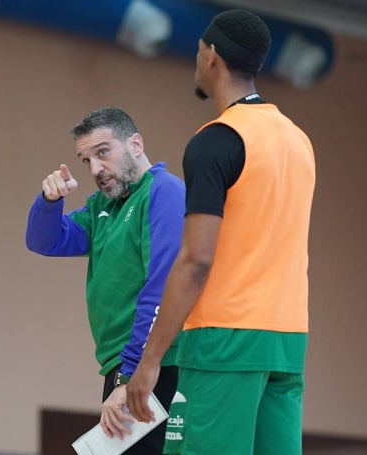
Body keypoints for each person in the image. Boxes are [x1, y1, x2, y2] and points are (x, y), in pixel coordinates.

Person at [126, 9, 316, 455]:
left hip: (223, 339)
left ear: (211, 56)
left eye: (197, 52)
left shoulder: (217, 140)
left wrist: (150, 361)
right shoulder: (298, 141)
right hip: (287, 343)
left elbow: (196, 259)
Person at [26, 107, 185, 453]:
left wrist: (132, 375)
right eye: (85, 160)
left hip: (160, 364)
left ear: (136, 145)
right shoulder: (102, 208)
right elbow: (43, 241)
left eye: (103, 153)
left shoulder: (163, 191)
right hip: (124, 366)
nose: (95, 169)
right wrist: (50, 200)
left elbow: (162, 286)